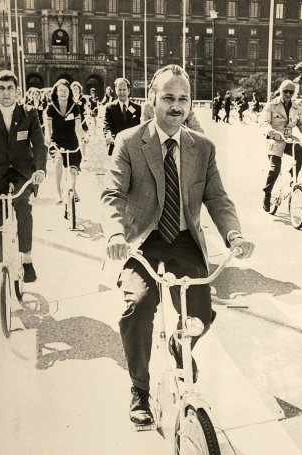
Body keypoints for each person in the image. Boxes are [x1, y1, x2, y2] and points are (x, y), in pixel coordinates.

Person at [101, 64, 254, 426]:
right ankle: (139, 387)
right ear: (151, 99)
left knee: (201, 313)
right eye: (168, 97)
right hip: (141, 243)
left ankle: (178, 347)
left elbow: (217, 199)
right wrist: (115, 235)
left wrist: (234, 235)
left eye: (183, 99)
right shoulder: (129, 141)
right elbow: (113, 194)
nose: (176, 106)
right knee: (137, 308)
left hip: (185, 242)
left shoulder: (202, 147)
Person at [0, 70, 47, 287]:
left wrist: (40, 170)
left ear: (17, 91)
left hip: (22, 172)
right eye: (1, 88)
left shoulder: (29, 113)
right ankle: (0, 263)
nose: (6, 93)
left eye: (10, 88)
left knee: (22, 204)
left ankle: (27, 259)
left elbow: (39, 145)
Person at [259, 79, 302, 212]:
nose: (288, 94)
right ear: (280, 90)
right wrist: (270, 132)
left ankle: (292, 177)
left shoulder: (297, 107)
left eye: (291, 92)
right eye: (285, 91)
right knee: (275, 169)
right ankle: (267, 194)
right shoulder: (271, 105)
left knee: (300, 151)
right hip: (275, 140)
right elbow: (263, 122)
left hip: (289, 139)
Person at [44, 79, 88, 206]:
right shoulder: (51, 107)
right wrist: (47, 136)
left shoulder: (74, 107)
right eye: (60, 90)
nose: (63, 93)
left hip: (72, 142)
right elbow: (48, 126)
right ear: (56, 92)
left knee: (73, 170)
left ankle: (72, 189)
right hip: (56, 142)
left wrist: (85, 137)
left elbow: (78, 127)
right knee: (58, 160)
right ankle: (58, 193)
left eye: (65, 90)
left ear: (69, 92)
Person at [103, 77, 141, 156]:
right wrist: (108, 135)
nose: (122, 92)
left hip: (133, 149)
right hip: (116, 148)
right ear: (116, 91)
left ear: (129, 91)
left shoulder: (137, 108)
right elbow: (107, 126)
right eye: (119, 90)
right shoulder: (110, 108)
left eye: (124, 89)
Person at [71, 81, 90, 161]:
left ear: (79, 90)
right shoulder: (70, 98)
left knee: (83, 138)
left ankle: (84, 155)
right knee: (73, 138)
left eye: (77, 89)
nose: (75, 90)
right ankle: (74, 156)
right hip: (72, 120)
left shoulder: (83, 98)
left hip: (81, 120)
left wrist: (88, 115)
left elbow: (86, 109)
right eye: (74, 89)